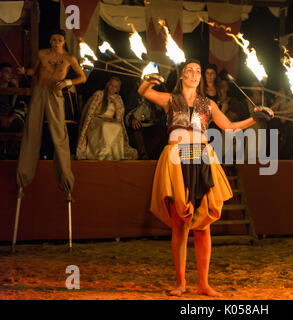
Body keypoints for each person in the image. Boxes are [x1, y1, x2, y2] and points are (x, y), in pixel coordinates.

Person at [137, 58, 273, 297]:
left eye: (197, 71)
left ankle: (203, 283)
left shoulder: (207, 104)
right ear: (181, 76)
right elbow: (144, 91)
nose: (194, 73)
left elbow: (229, 126)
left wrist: (256, 117)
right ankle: (180, 283)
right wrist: (150, 79)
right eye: (189, 70)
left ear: (200, 77)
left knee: (203, 225)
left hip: (201, 158)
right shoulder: (170, 99)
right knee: (180, 223)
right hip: (177, 159)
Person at [16, 29, 86, 198]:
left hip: (56, 94)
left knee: (59, 133)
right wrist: (25, 72)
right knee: (32, 130)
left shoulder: (70, 58)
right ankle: (23, 177)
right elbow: (34, 72)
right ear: (50, 41)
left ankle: (66, 180)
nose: (56, 42)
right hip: (40, 91)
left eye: (59, 40)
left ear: (63, 41)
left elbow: (82, 77)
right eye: (54, 39)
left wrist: (67, 82)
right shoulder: (42, 54)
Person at [76, 77, 138, 160]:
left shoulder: (118, 99)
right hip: (97, 119)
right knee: (104, 126)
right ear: (107, 85)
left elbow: (119, 116)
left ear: (118, 89)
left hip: (110, 120)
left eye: (115, 87)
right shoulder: (99, 94)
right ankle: (103, 155)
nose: (113, 88)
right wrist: (100, 118)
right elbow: (91, 111)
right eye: (111, 85)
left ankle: (115, 155)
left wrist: (113, 120)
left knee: (117, 127)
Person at [125, 75, 167, 159]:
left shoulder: (151, 95)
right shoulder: (134, 96)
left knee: (162, 130)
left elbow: (157, 112)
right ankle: (143, 154)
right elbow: (128, 111)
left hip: (150, 123)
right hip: (137, 123)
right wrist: (132, 119)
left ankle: (150, 154)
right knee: (137, 128)